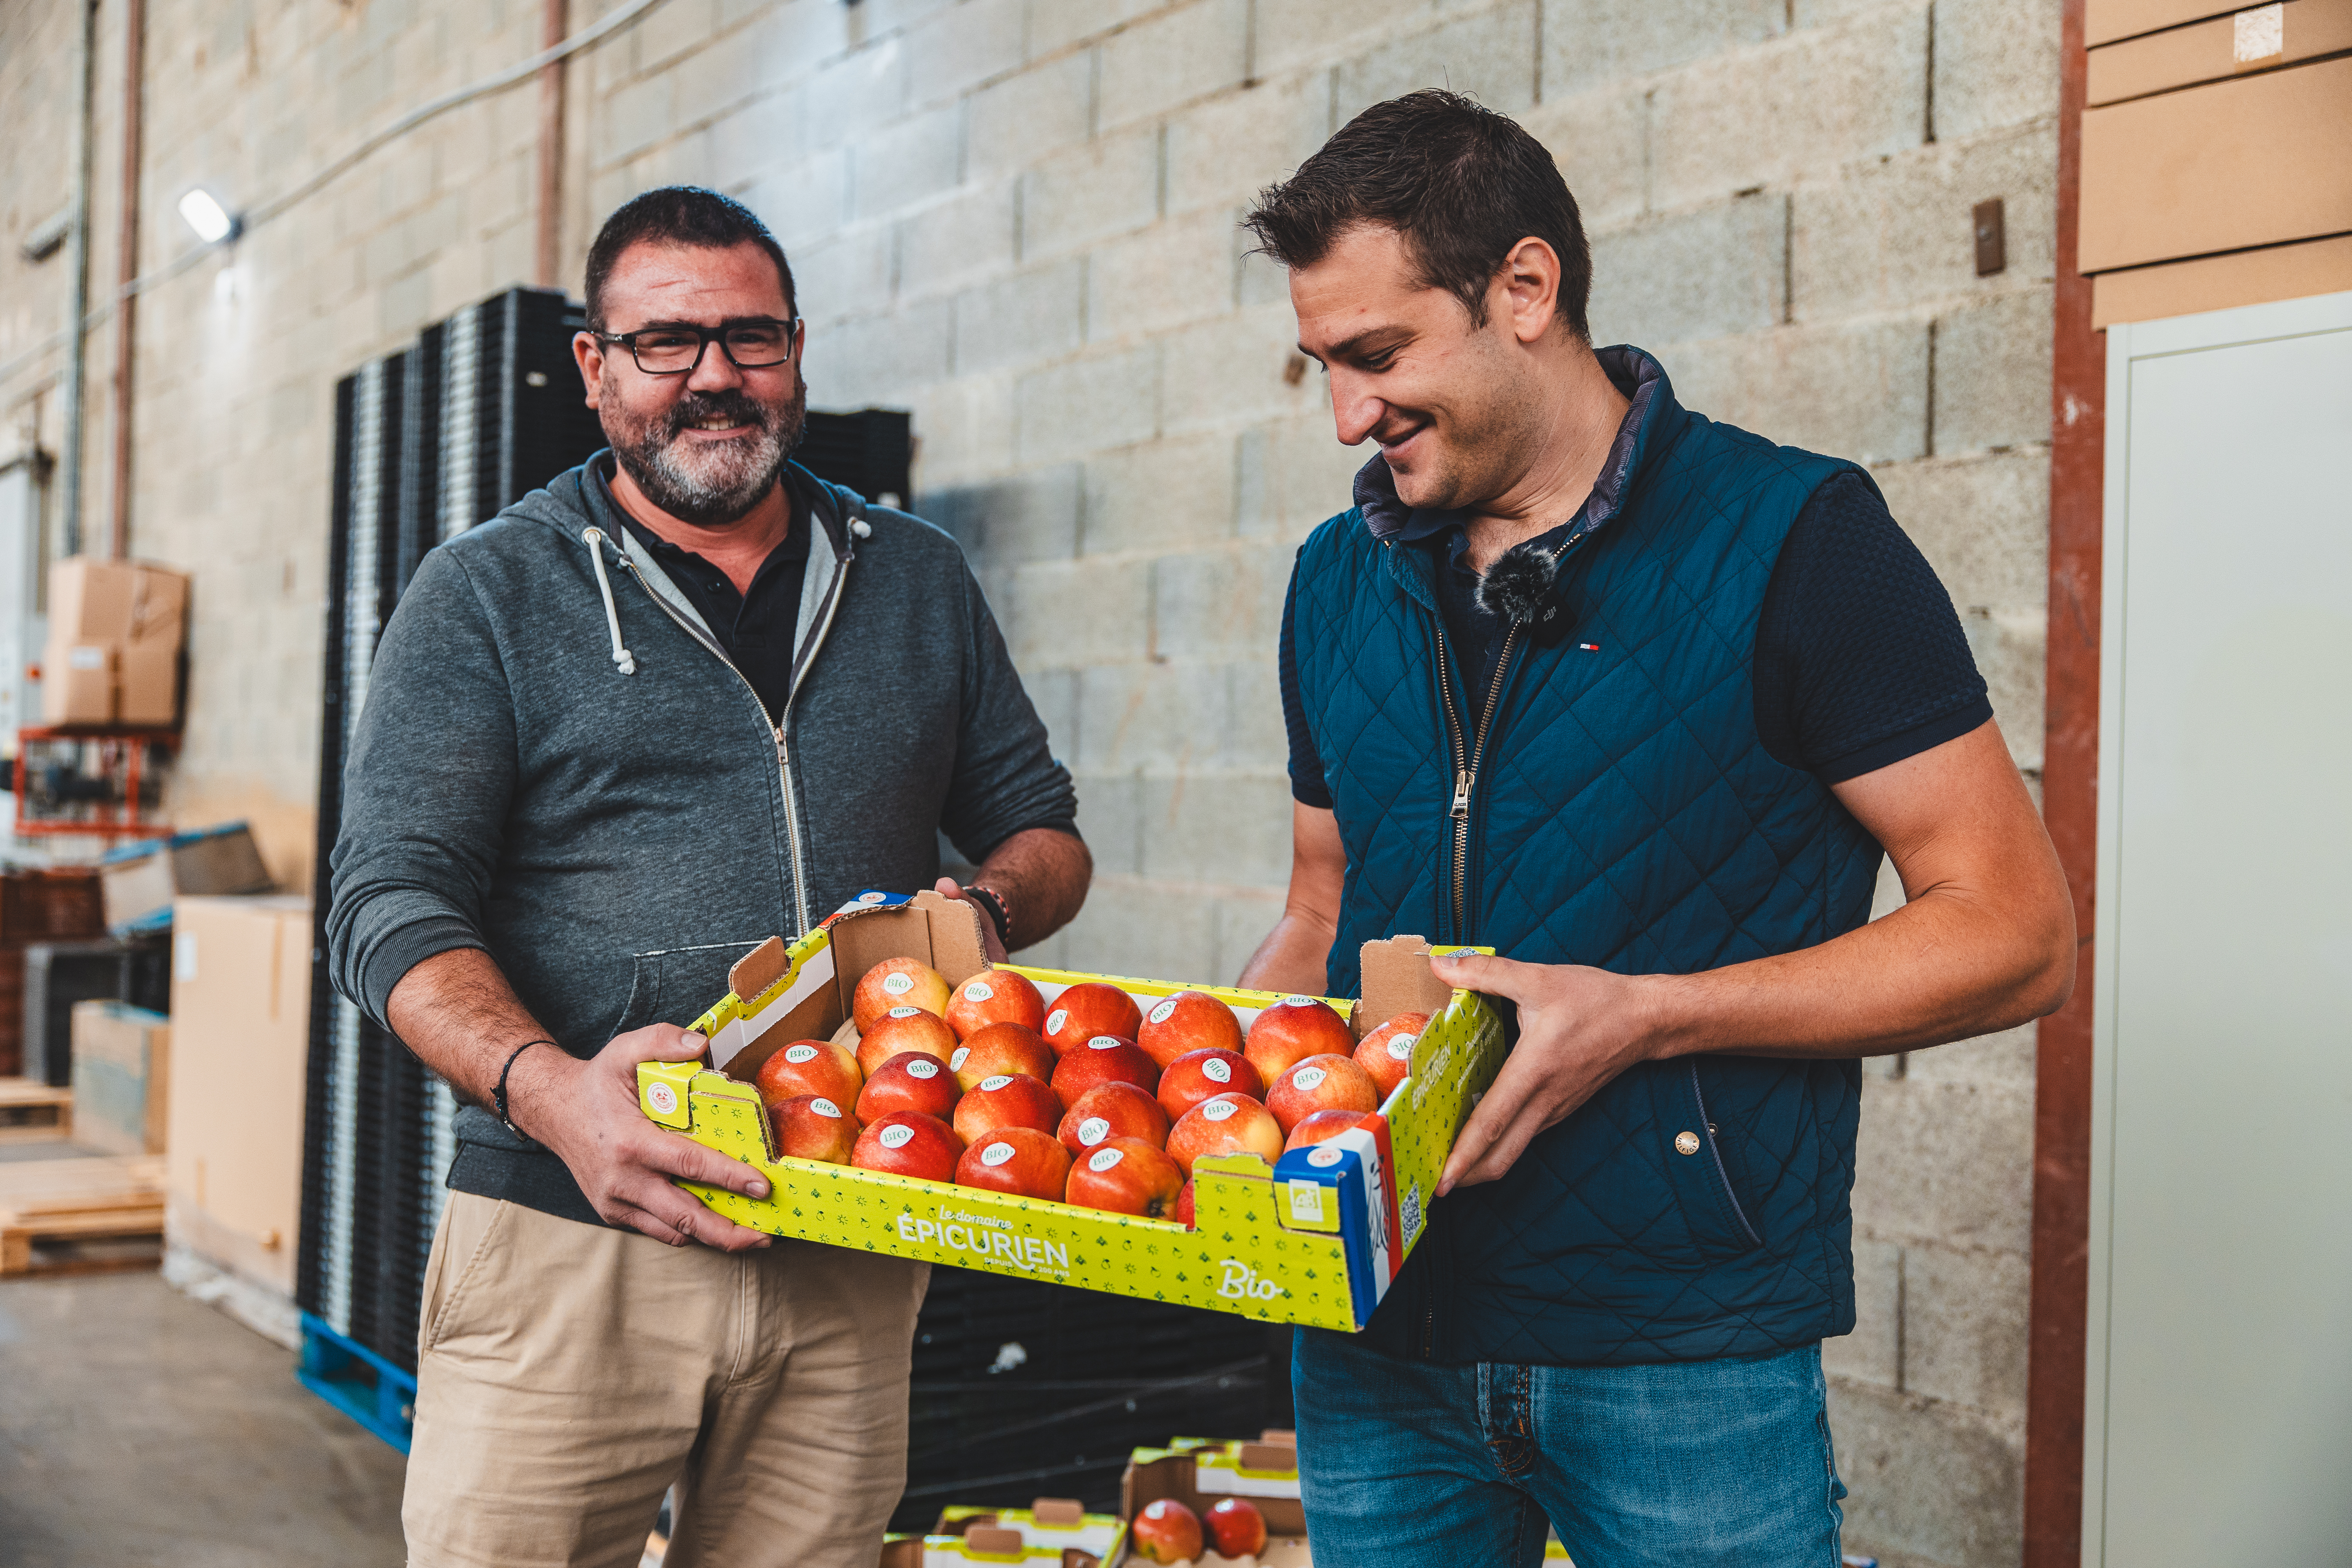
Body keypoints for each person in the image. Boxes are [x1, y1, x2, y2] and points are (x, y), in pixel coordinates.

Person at [1236, 93, 2073, 1565]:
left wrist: (1650, 1019)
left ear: (1527, 290)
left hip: (1682, 1355)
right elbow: (1322, 905)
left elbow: (2015, 933)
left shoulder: (1800, 539)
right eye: (1322, 366)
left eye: (1378, 356)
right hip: (1374, 1338)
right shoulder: (1333, 579)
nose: (1347, 416)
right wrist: (1234, 1099)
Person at [327, 187, 1091, 1568]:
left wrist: (985, 913)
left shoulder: (913, 578)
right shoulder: (489, 592)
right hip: (574, 1232)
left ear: (798, 351)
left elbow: (1041, 825)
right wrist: (556, 1096)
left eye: (752, 338)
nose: (715, 380)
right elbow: (388, 905)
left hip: (850, 1221)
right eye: (667, 344)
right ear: (595, 366)